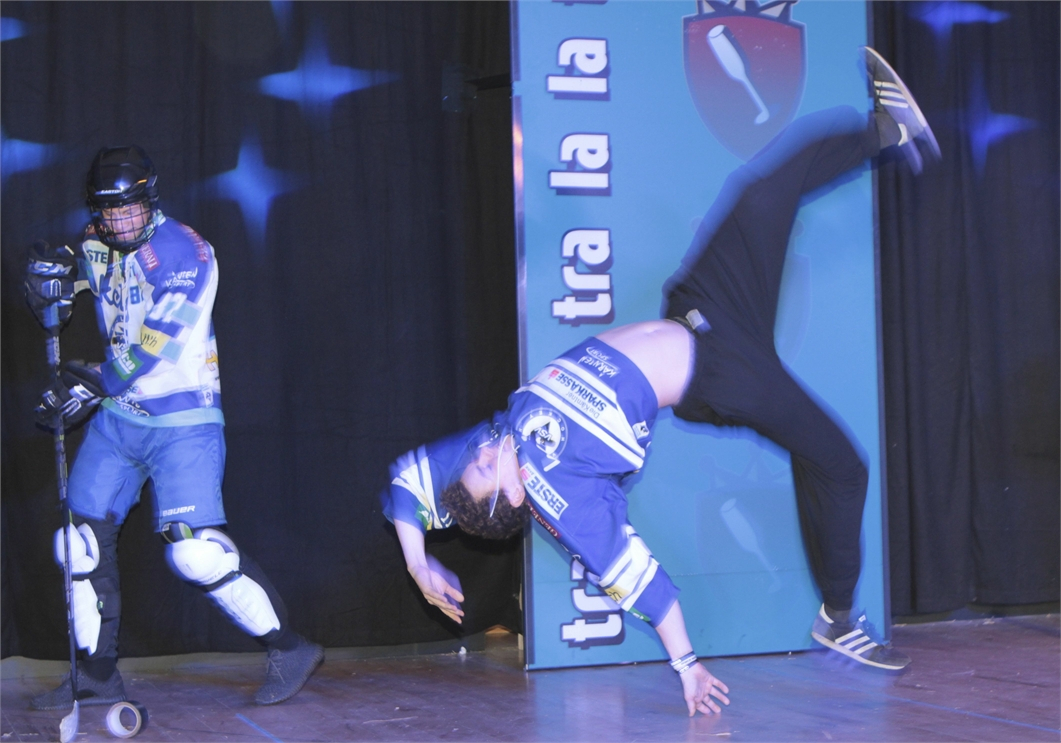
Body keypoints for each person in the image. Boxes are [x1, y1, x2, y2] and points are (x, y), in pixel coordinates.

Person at [380, 48, 939, 717]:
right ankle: (839, 617)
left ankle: (887, 129)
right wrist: (687, 667)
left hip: (702, 308)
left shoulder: (505, 435)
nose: (478, 448)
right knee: (842, 463)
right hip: (722, 375)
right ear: (513, 495)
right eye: (481, 465)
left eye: (473, 455)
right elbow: (644, 585)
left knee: (760, 195)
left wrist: (418, 561)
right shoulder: (566, 502)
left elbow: (407, 480)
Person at [24, 146, 324, 710]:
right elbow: (72, 281)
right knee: (78, 544)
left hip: (183, 420)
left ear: (151, 199)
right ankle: (97, 674)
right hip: (120, 419)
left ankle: (291, 648)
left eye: (130, 208)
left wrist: (94, 383)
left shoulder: (188, 252)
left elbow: (154, 344)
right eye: (109, 211)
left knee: (196, 553)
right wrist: (50, 282)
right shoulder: (96, 241)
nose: (120, 221)